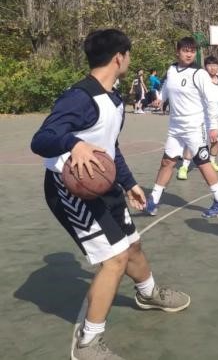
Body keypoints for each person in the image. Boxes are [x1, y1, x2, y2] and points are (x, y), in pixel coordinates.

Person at [31, 29, 190, 359]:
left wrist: (129, 182)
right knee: (114, 259)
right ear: (119, 57)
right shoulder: (80, 97)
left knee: (132, 245)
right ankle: (88, 342)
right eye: (128, 55)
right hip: (71, 190)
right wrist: (73, 143)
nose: (129, 60)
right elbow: (42, 139)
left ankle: (148, 293)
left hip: (103, 183)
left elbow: (109, 148)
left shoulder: (114, 98)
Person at [146, 37, 218, 219]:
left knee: (202, 162)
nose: (189, 54)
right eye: (185, 50)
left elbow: (212, 100)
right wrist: (160, 99)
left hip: (195, 126)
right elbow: (167, 88)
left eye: (192, 51)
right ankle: (153, 199)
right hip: (175, 127)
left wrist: (213, 127)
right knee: (167, 161)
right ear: (177, 52)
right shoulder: (172, 70)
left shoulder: (199, 74)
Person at [177, 56, 218, 178]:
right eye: (210, 65)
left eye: (215, 65)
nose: (213, 68)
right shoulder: (200, 79)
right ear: (205, 67)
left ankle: (212, 161)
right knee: (194, 141)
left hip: (217, 115)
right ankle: (184, 167)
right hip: (202, 116)